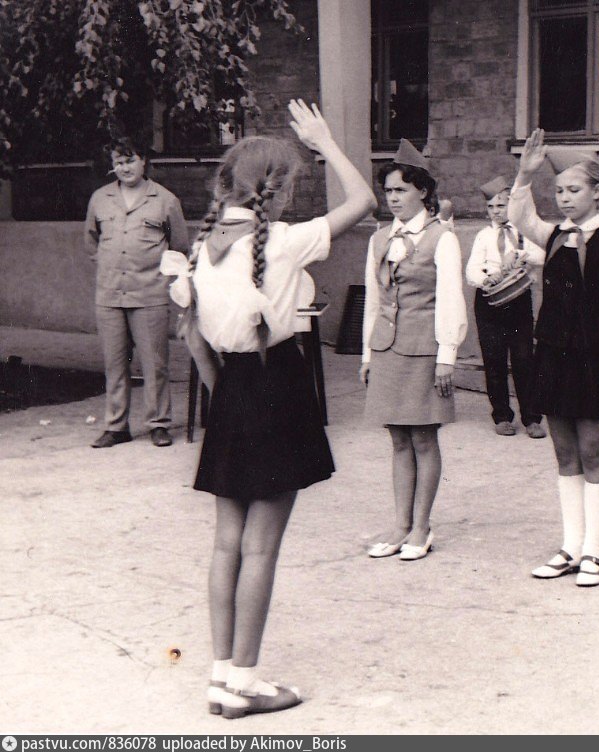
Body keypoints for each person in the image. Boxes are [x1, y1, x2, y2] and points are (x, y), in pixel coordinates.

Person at [167, 100, 376, 718]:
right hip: (276, 386)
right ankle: (246, 685)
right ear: (276, 190)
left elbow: (194, 342)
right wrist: (326, 142)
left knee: (226, 546)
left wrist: (225, 405)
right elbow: (364, 201)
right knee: (260, 548)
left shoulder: (201, 249)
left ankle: (220, 678)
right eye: (291, 187)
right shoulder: (282, 241)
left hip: (230, 389)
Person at [508, 130, 599, 588]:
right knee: (564, 452)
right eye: (559, 191)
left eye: (574, 190)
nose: (564, 199)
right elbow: (519, 215)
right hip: (554, 355)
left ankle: (594, 551)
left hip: (594, 356)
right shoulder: (554, 236)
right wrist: (525, 174)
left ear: (597, 191)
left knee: (593, 449)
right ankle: (571, 545)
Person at [361, 139, 467, 562]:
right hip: (387, 349)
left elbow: (451, 299)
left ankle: (422, 527)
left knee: (423, 437)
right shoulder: (379, 239)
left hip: (425, 351)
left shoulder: (442, 237)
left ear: (422, 191)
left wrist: (447, 357)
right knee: (398, 440)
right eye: (388, 191)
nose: (393, 199)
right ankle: (400, 525)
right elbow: (373, 300)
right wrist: (368, 355)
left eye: (401, 190)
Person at [84, 137, 188, 448]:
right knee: (115, 363)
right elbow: (91, 241)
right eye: (118, 162)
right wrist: (111, 265)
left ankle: (159, 424)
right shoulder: (100, 198)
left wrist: (154, 274)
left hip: (149, 295)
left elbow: (179, 247)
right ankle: (116, 426)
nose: (124, 167)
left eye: (130, 160)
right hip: (110, 295)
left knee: (155, 363)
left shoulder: (165, 200)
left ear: (143, 161)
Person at [465, 175, 547, 438]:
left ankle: (531, 418)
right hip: (489, 301)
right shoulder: (484, 236)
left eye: (500, 205)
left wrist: (520, 255)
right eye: (491, 207)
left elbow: (541, 255)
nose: (495, 211)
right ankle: (501, 416)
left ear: (511, 205)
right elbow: (471, 270)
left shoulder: (523, 231)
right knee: (494, 360)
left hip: (518, 300)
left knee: (524, 360)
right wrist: (486, 278)